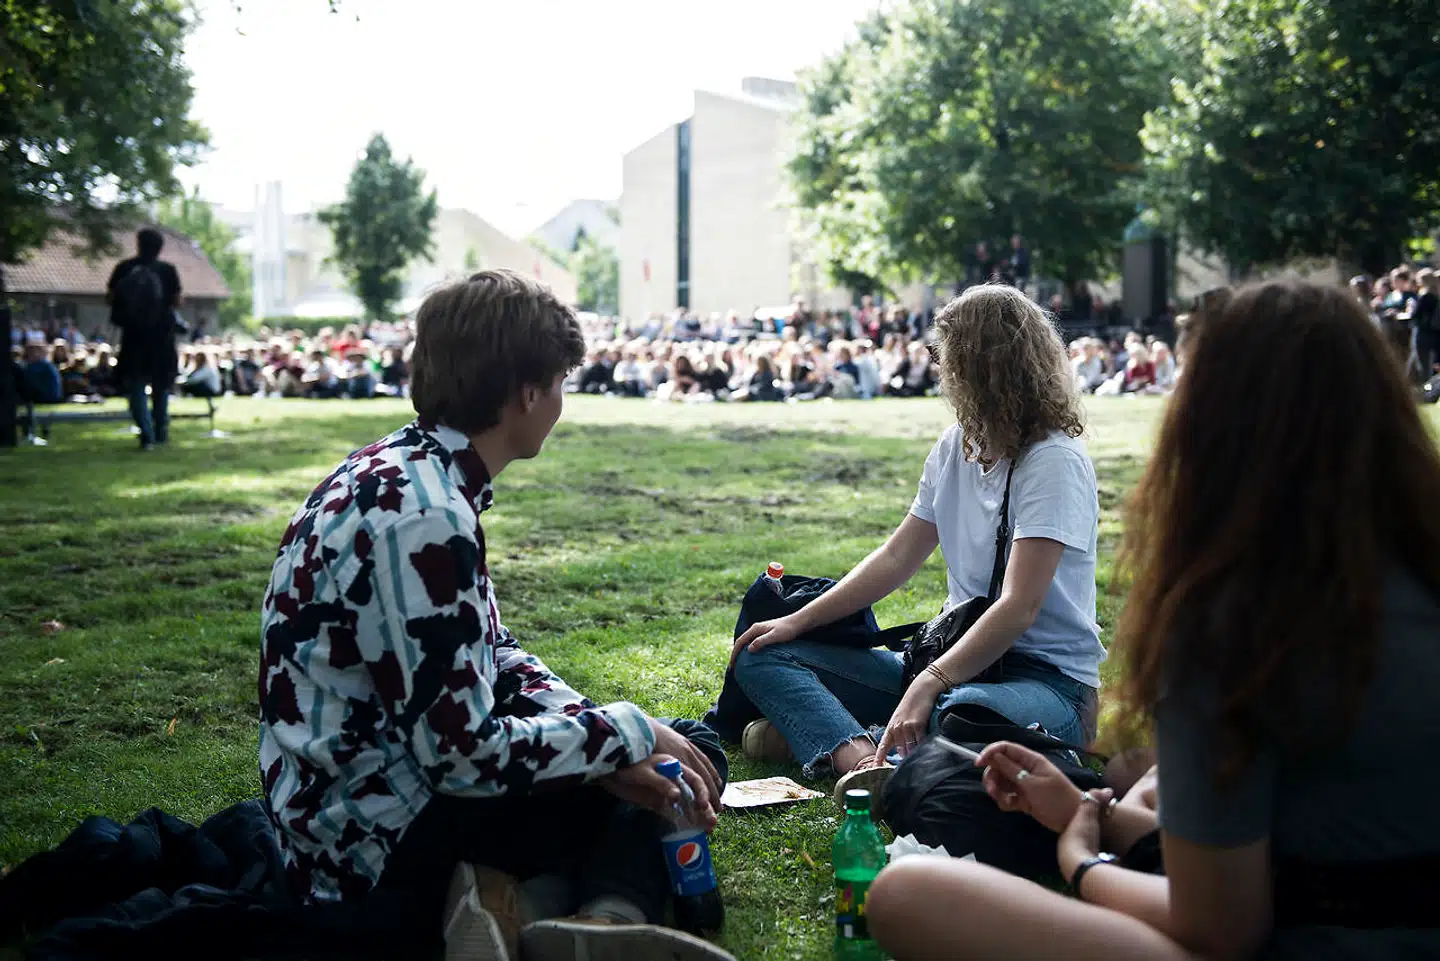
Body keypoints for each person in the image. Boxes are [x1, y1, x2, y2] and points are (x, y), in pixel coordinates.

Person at [864, 278, 1440, 961]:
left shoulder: (1239, 625)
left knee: (907, 892)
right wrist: (1105, 813)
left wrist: (1081, 855)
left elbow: (1220, 928)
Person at [259, 270, 731, 961]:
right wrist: (618, 739)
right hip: (371, 837)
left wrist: (602, 729)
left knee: (659, 745)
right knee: (683, 751)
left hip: (346, 797)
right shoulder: (427, 516)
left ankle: (509, 904)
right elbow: (463, 757)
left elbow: (492, 651)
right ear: (527, 391)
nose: (562, 402)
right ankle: (607, 915)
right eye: (561, 382)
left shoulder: (402, 470)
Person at [730, 284, 1103, 802]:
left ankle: (844, 740)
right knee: (761, 652)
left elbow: (1019, 606)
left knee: (960, 716)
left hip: (1046, 685)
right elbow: (898, 556)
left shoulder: (1053, 460)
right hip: (952, 659)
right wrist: (798, 619)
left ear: (981, 368)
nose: (939, 370)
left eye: (948, 357)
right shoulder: (958, 445)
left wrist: (929, 682)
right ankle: (861, 760)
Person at [108, 227, 183, 450]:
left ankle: (146, 434)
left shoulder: (124, 268)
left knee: (136, 384)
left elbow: (111, 298)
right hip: (161, 335)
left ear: (138, 244)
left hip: (133, 336)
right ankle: (161, 431)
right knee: (161, 386)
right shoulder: (167, 270)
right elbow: (177, 301)